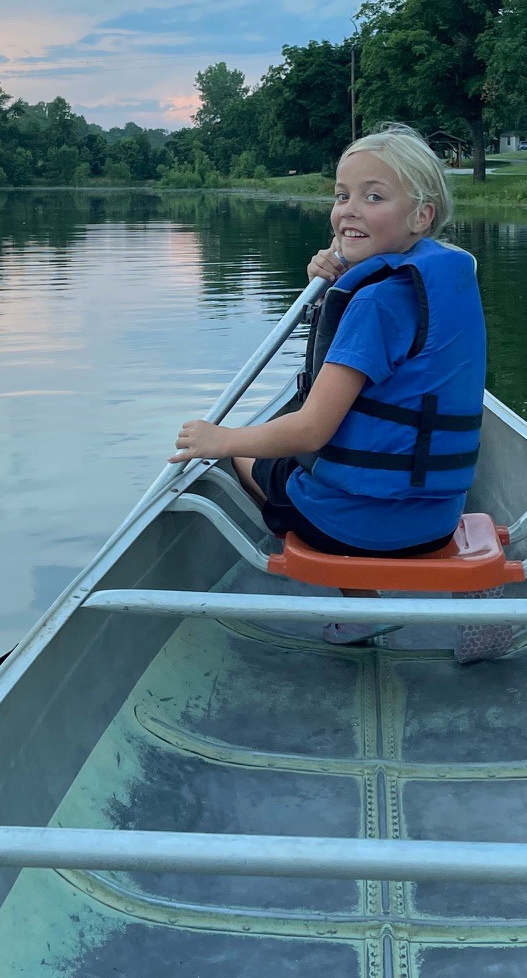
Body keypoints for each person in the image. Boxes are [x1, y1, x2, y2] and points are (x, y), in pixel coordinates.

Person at [171, 123, 486, 644]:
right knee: (283, 442)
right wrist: (341, 276)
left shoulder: (375, 303)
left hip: (358, 528)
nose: (349, 209)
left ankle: (361, 605)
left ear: (421, 215)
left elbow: (312, 431)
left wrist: (220, 440)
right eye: (342, 196)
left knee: (247, 455)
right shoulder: (446, 272)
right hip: (437, 519)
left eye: (374, 196)